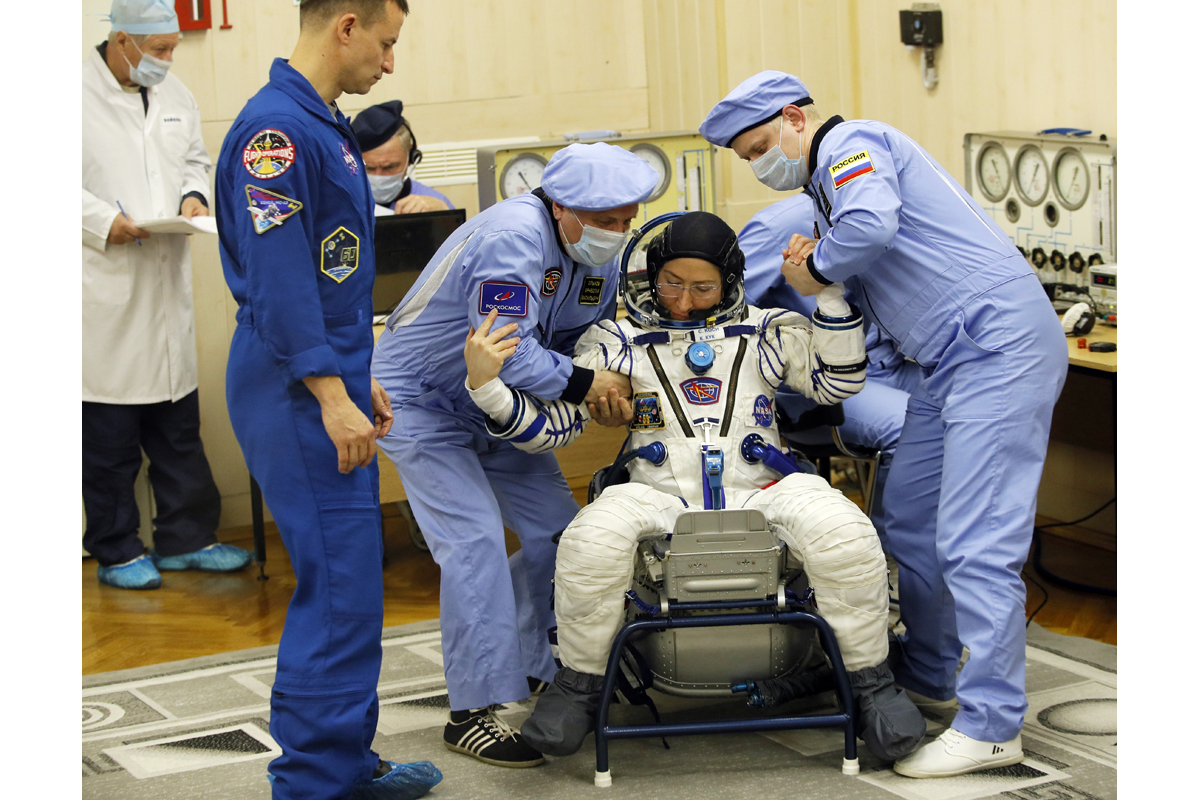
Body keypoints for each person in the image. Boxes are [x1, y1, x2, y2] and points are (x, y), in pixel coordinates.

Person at [700, 71, 1068, 778]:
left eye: (760, 146)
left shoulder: (851, 144)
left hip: (996, 346)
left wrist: (817, 272)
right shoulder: (820, 189)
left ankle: (993, 726)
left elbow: (870, 228)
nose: (759, 163)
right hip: (941, 362)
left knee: (974, 541)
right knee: (909, 520)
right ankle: (931, 677)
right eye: (745, 157)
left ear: (795, 118)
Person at [460, 211, 925, 763]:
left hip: (763, 485)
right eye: (670, 285)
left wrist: (825, 298)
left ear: (730, 282)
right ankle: (579, 688)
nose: (682, 302)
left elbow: (836, 382)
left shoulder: (767, 330)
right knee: (589, 541)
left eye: (702, 288)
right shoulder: (615, 340)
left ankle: (871, 686)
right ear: (649, 277)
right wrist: (485, 386)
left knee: (846, 532)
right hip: (657, 491)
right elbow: (552, 430)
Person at [214, 1, 441, 798]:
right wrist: (327, 392)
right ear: (346, 25)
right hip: (291, 383)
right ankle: (314, 782)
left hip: (323, 369)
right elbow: (278, 288)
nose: (388, 64)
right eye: (385, 43)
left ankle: (345, 759)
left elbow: (329, 275)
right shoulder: (275, 135)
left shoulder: (321, 123)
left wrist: (357, 373)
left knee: (352, 581)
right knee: (339, 588)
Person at [371, 142, 658, 768]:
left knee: (566, 534)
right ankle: (472, 709)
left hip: (500, 404)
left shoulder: (595, 251)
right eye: (607, 220)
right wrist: (586, 385)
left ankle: (531, 665)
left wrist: (608, 378)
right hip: (420, 401)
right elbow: (506, 349)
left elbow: (589, 335)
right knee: (473, 539)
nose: (619, 232)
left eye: (627, 219)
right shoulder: (513, 238)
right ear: (563, 209)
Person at [83, 0, 252, 591]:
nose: (168, 60)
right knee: (110, 436)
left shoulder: (176, 94)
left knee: (178, 424)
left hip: (166, 277)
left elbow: (195, 161)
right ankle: (116, 547)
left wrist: (192, 197)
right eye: (158, 50)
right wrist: (105, 221)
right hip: (103, 286)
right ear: (121, 39)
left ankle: (186, 538)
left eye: (172, 48)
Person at [739, 193, 922, 552]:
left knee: (972, 402)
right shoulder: (778, 228)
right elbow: (728, 314)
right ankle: (893, 557)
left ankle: (952, 544)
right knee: (915, 425)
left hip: (890, 360)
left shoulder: (890, 213)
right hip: (819, 385)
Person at [350, 100, 454, 214]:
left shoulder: (435, 204)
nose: (378, 178)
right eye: (369, 168)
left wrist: (444, 215)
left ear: (411, 158)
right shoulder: (342, 204)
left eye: (389, 167)